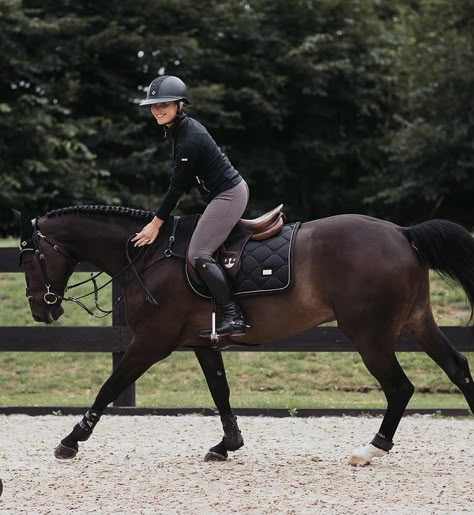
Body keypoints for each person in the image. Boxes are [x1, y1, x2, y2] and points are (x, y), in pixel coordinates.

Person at [132, 75, 249, 338]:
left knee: (198, 254)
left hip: (229, 195)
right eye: (153, 105)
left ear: (180, 105)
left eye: (164, 104)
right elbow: (181, 188)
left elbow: (177, 189)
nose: (157, 110)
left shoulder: (188, 138)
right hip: (220, 195)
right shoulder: (179, 131)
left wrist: (155, 224)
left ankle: (234, 316)